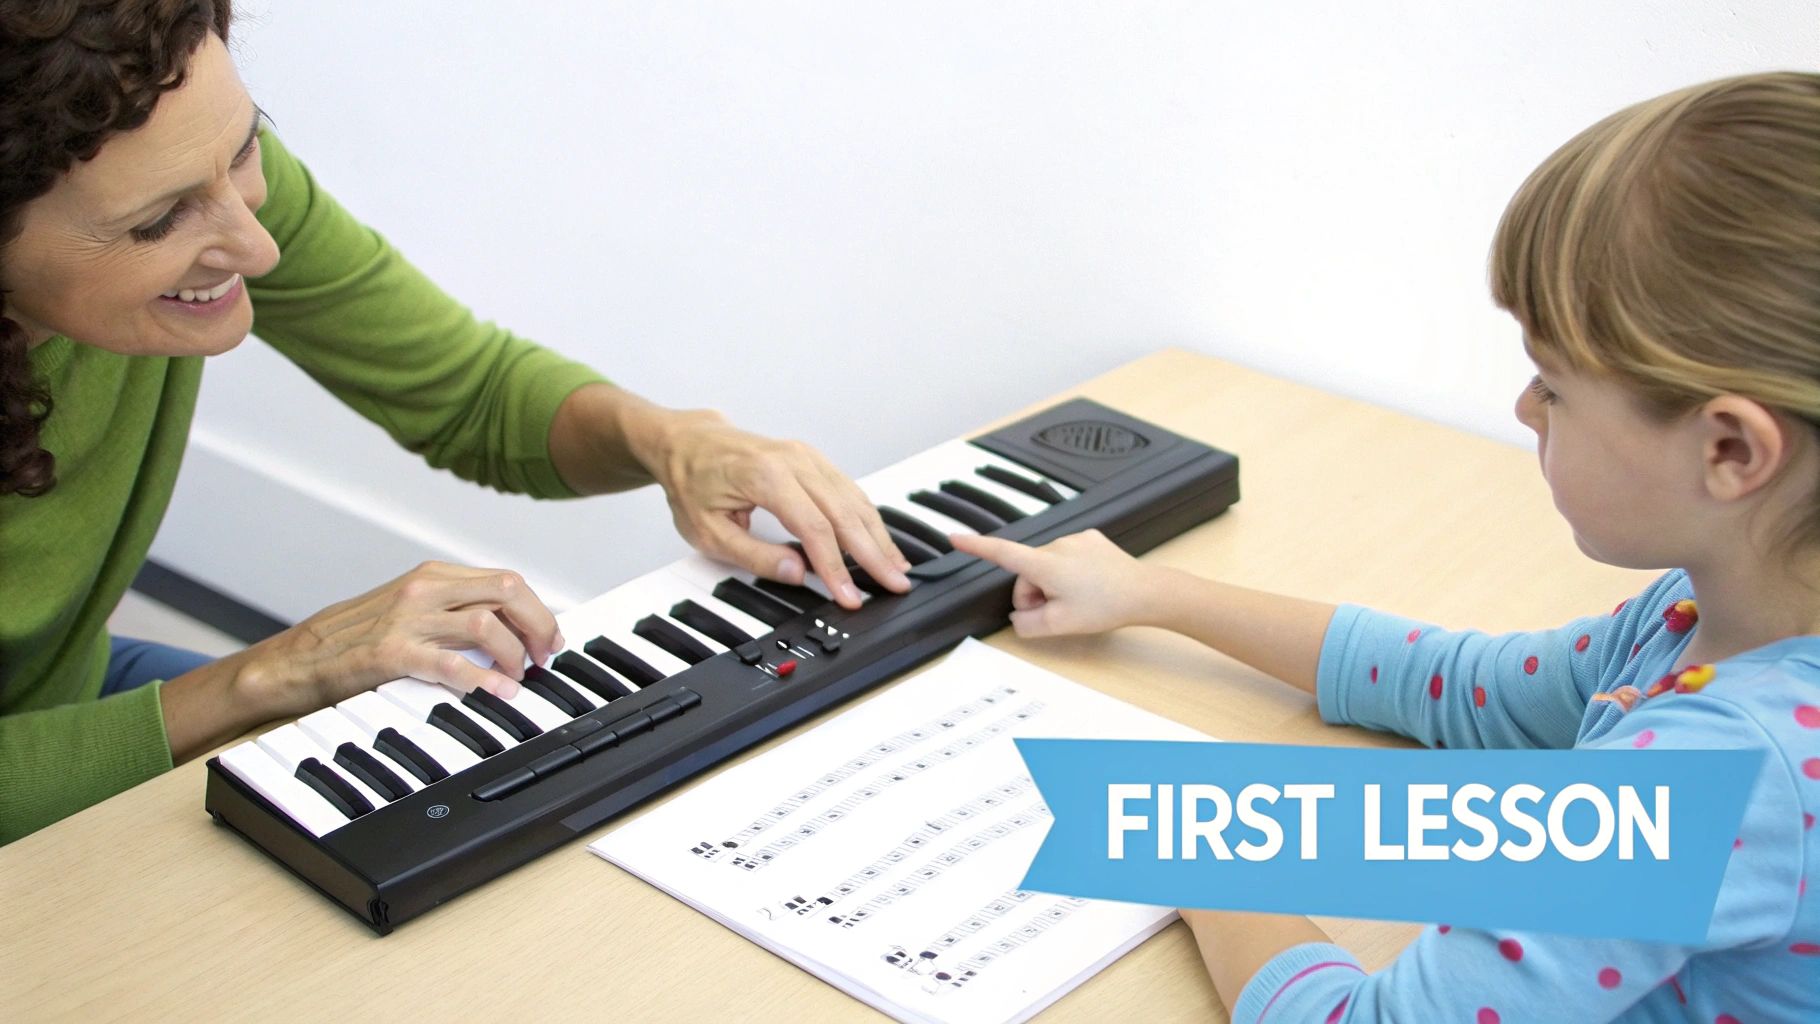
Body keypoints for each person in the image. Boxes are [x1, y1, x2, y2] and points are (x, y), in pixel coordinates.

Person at [955, 71, 1820, 1022]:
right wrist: (1157, 596)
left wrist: (1194, 849)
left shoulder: (1717, 782)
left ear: (1730, 449)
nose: (1524, 408)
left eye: (1555, 386)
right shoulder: (1703, 616)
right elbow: (1481, 691)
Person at [0, 0, 910, 845]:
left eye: (246, 151)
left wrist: (672, 440)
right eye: (161, 220)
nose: (257, 246)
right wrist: (268, 673)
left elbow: (469, 393)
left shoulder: (205, 194)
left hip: (76, 692)